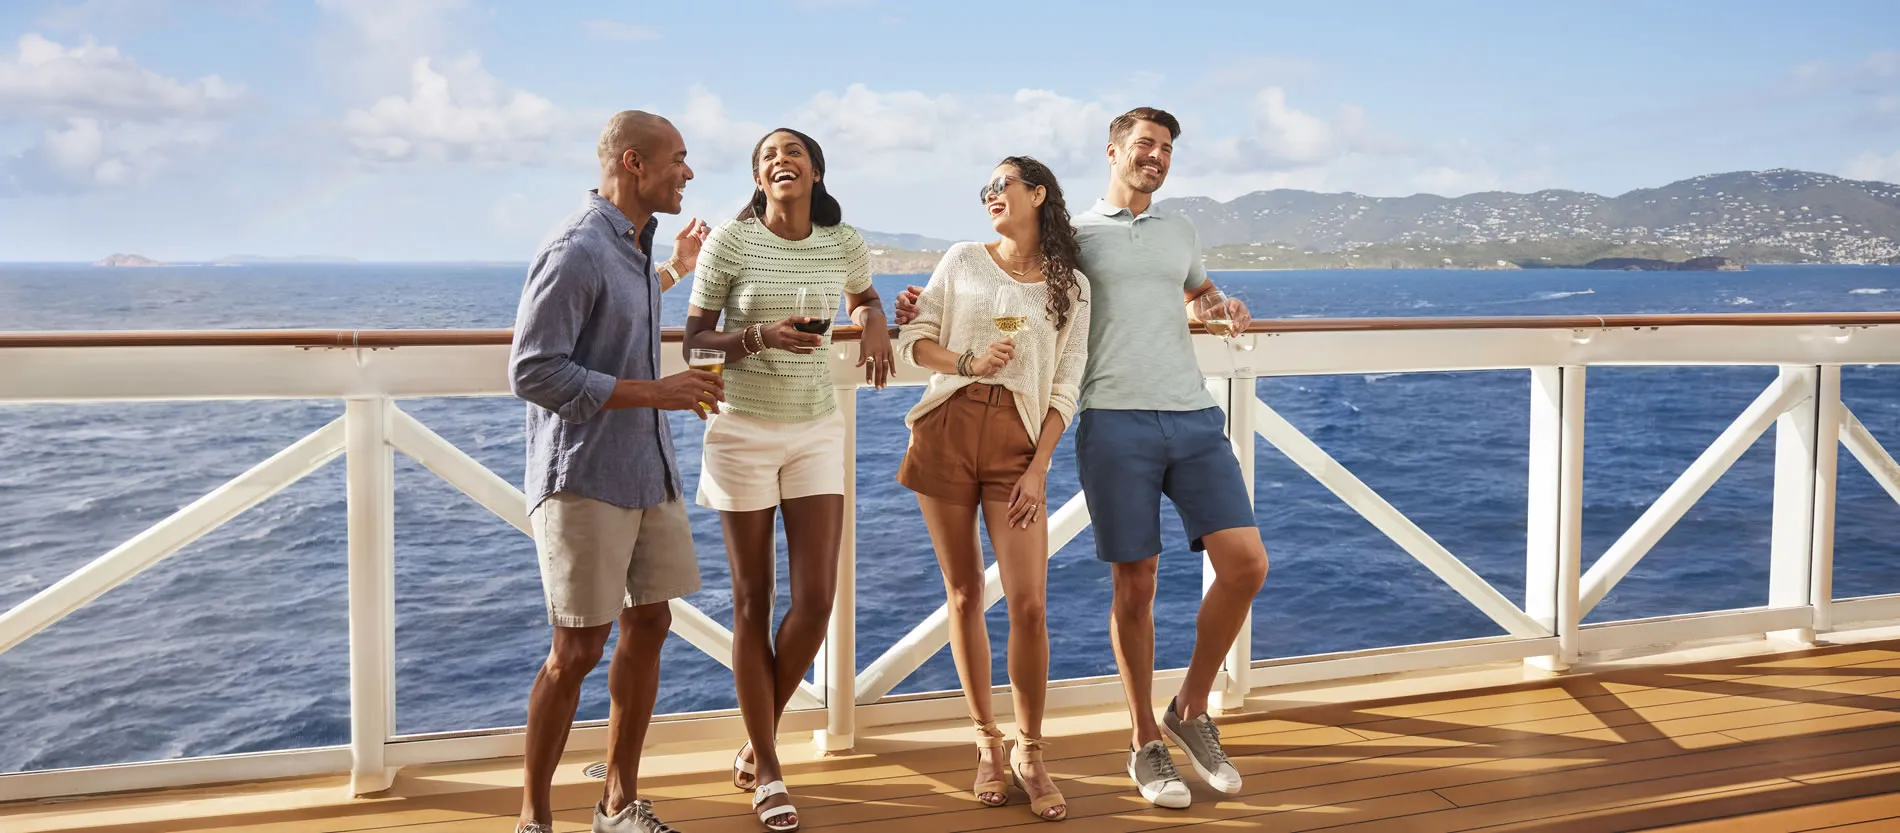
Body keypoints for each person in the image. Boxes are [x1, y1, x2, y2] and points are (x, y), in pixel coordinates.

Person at [895, 107, 1269, 810]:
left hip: (1175, 415)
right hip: (1091, 422)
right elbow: (962, 306)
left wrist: (1222, 307)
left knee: (1244, 564)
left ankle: (1182, 710)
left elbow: (1194, 297)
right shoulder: (1066, 242)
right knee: (1121, 585)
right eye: (1144, 144)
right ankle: (1118, 741)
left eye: (1165, 147)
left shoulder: (1168, 236)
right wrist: (921, 309)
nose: (1156, 155)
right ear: (1112, 151)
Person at [507, 110, 720, 833]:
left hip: (647, 468)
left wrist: (675, 270)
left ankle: (617, 806)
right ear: (634, 162)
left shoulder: (631, 244)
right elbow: (534, 370)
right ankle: (535, 819)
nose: (688, 172)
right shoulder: (574, 247)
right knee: (576, 649)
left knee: (652, 621)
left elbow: (623, 305)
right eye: (678, 158)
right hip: (586, 475)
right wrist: (658, 392)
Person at [683, 127, 893, 832]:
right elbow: (693, 341)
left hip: (815, 428)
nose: (781, 161)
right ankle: (769, 767)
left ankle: (758, 735)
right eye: (768, 156)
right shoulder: (731, 242)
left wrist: (873, 320)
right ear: (758, 178)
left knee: (816, 599)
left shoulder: (843, 241)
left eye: (793, 152)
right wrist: (760, 337)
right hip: (741, 428)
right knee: (752, 601)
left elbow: (864, 297)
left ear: (816, 171)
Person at [894, 157, 1089, 823]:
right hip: (945, 432)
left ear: (1038, 193)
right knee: (963, 593)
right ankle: (987, 743)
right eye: (985, 189)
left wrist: (1038, 468)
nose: (991, 195)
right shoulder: (961, 260)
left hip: (1018, 450)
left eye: (1002, 184)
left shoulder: (1073, 286)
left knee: (1029, 603)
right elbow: (915, 340)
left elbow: (1065, 384)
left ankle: (1032, 752)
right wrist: (968, 362)